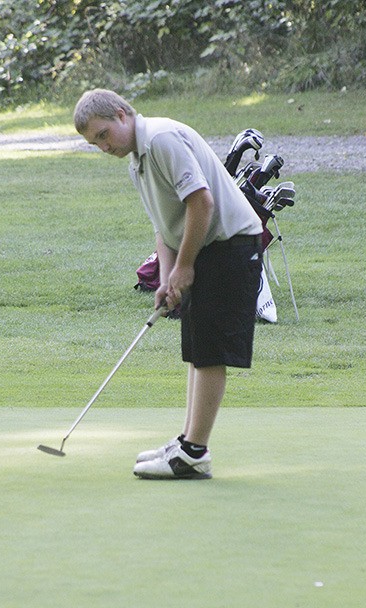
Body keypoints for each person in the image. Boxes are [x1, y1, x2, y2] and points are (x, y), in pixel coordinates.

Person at [74, 89, 263, 480]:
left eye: (104, 134)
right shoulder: (137, 163)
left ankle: (194, 453)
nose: (103, 146)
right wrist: (167, 274)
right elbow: (165, 226)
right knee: (197, 350)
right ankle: (188, 443)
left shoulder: (159, 140)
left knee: (210, 352)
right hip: (208, 247)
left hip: (230, 245)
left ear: (123, 114)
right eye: (95, 143)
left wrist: (186, 266)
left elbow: (201, 202)